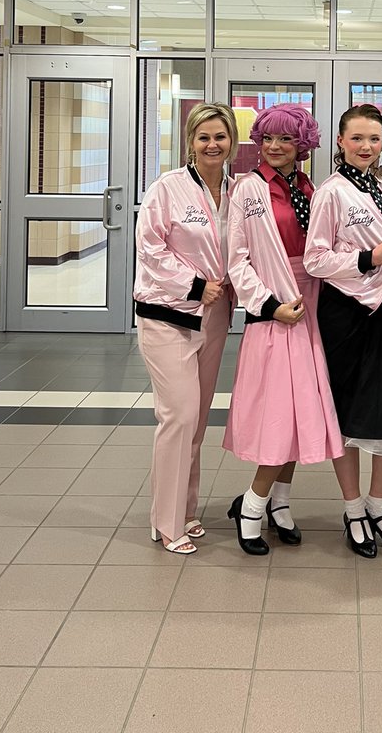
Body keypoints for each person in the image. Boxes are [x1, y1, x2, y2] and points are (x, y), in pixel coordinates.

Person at [304, 103, 382, 559]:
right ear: (340, 141)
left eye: (374, 139)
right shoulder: (330, 192)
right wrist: (366, 259)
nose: (366, 147)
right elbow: (316, 258)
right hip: (348, 313)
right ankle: (353, 508)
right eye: (357, 138)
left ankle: (380, 506)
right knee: (350, 413)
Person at [223, 103, 344, 555]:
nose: (274, 147)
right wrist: (270, 306)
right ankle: (252, 507)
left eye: (285, 139)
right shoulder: (247, 190)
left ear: (303, 144)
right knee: (278, 413)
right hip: (276, 309)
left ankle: (280, 503)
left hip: (313, 305)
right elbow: (237, 259)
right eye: (267, 138)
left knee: (301, 411)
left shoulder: (315, 189)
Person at [134, 102, 239, 554]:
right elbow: (151, 250)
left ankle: (186, 510)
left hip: (215, 318)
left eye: (220, 136)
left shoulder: (239, 192)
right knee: (176, 416)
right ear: (190, 143)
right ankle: (166, 522)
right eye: (203, 137)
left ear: (233, 140)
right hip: (168, 316)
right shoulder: (167, 189)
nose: (212, 144)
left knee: (195, 420)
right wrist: (196, 285)